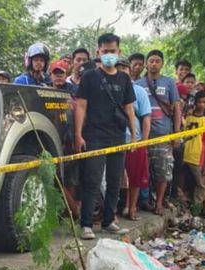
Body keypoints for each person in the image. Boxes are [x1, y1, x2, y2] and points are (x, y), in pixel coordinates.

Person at [74, 33, 137, 240]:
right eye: (105, 51)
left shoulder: (124, 78)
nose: (109, 54)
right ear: (98, 52)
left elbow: (129, 108)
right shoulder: (90, 76)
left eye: (113, 51)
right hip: (94, 136)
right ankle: (86, 224)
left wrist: (133, 135)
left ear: (119, 52)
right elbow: (81, 106)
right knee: (91, 181)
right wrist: (78, 134)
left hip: (117, 136)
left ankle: (109, 220)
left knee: (114, 180)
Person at [134, 49, 181, 215]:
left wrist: (177, 134)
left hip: (163, 134)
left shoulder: (169, 83)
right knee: (141, 170)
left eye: (157, 61)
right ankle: (140, 202)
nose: (154, 64)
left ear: (162, 64)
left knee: (163, 170)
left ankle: (159, 203)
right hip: (142, 135)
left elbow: (176, 108)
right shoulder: (138, 84)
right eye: (151, 61)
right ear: (146, 63)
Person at [116, 58, 151, 221]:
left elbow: (146, 117)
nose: (122, 71)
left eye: (125, 68)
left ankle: (131, 208)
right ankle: (115, 209)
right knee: (114, 177)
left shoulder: (139, 91)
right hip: (113, 140)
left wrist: (143, 141)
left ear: (130, 71)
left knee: (135, 177)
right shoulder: (110, 88)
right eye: (119, 68)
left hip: (134, 140)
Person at [182, 91, 205, 206]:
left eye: (204, 102)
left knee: (200, 184)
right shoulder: (188, 117)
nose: (201, 105)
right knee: (183, 181)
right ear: (195, 102)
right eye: (199, 102)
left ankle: (196, 207)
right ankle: (182, 204)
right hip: (185, 154)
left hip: (197, 157)